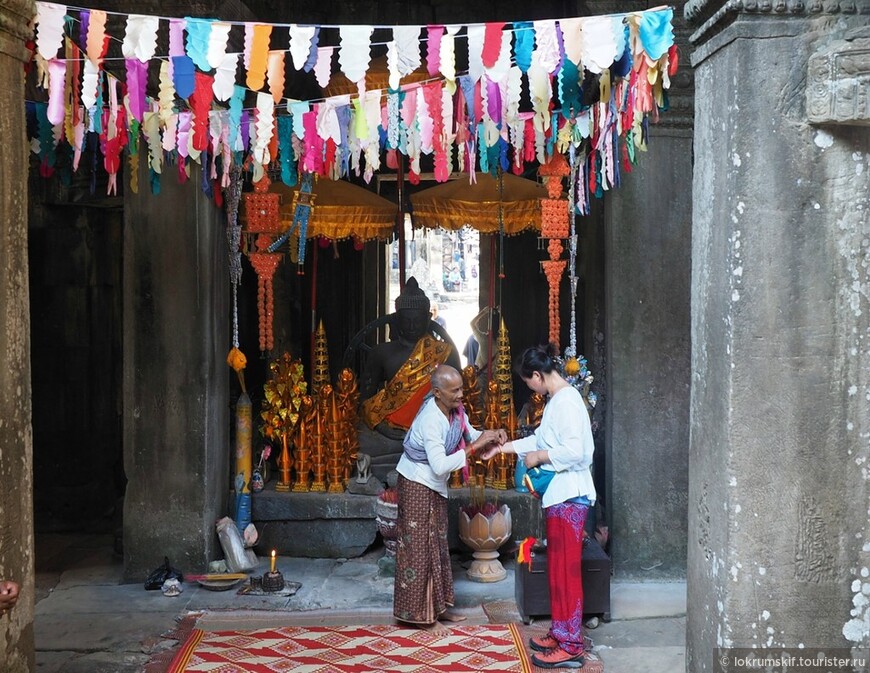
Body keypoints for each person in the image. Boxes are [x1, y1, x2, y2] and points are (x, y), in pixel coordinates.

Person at [480, 344, 596, 670]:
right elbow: (539, 440)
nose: (530, 389)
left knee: (567, 572)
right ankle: (561, 634)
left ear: (537, 375)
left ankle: (571, 644)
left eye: (529, 383)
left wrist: (540, 458)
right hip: (559, 497)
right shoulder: (558, 401)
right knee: (557, 571)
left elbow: (577, 452)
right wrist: (502, 449)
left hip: (570, 497)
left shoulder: (568, 402)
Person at [393, 364, 507, 632]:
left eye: (461, 389)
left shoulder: (455, 411)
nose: (460, 395)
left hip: (433, 486)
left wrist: (492, 435)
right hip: (416, 483)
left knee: (437, 546)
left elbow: (471, 435)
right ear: (436, 393)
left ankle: (438, 609)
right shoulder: (430, 419)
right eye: (454, 390)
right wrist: (475, 446)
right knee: (419, 550)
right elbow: (440, 465)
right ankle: (421, 618)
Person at [360, 277, 461, 440]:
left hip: (433, 430)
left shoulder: (444, 352)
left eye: (417, 321)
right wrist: (380, 427)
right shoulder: (381, 353)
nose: (412, 327)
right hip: (390, 431)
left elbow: (458, 398)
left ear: (428, 318)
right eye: (406, 321)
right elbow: (365, 399)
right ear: (396, 319)